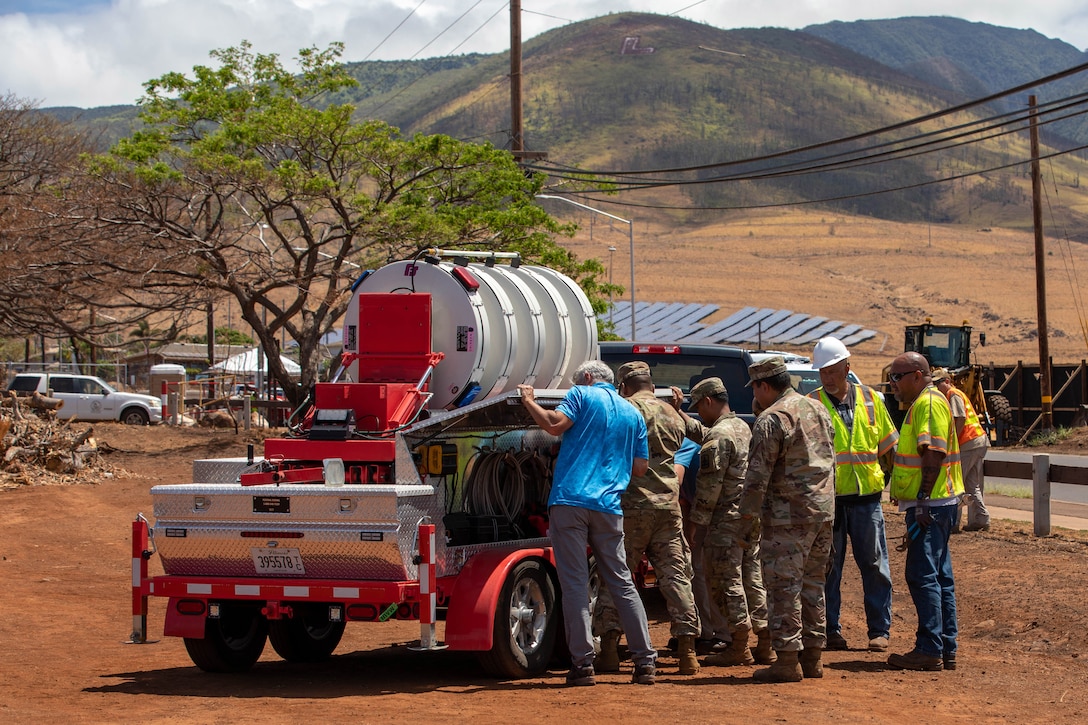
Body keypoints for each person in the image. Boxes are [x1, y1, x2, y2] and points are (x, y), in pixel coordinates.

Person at [517, 360, 657, 686]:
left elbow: (554, 425)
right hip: (609, 506)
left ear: (588, 378)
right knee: (622, 583)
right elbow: (639, 468)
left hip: (570, 500)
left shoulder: (582, 394)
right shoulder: (632, 413)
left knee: (576, 585)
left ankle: (582, 666)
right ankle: (645, 662)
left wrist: (529, 401)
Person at [593, 361, 702, 676]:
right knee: (676, 577)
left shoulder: (622, 410)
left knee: (616, 575)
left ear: (624, 385)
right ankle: (687, 654)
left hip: (630, 507)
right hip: (668, 507)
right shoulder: (672, 413)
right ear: (652, 386)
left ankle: (611, 651)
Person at [737, 356, 836, 682]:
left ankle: (787, 660)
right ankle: (813, 658)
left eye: (755, 387)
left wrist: (745, 519)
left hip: (787, 519)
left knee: (783, 588)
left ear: (764, 386)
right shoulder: (817, 408)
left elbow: (756, 477)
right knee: (813, 586)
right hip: (822, 515)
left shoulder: (772, 419)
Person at [672, 377, 773, 667]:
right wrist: (679, 413)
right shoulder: (741, 427)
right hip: (749, 518)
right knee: (753, 580)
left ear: (708, 402)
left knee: (725, 581)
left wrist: (697, 528)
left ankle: (738, 644)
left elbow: (708, 490)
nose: (697, 413)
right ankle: (766, 643)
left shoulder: (719, 437)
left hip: (724, 522)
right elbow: (703, 432)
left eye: (697, 407)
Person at [808, 336, 898, 654]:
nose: (827, 377)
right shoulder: (813, 403)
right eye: (822, 371)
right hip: (828, 502)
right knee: (827, 568)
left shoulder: (872, 399)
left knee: (874, 565)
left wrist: (893, 486)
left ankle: (879, 631)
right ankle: (829, 629)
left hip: (866, 499)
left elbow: (889, 448)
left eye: (832, 370)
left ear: (847, 366)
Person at [886, 353, 964, 672]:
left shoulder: (928, 403)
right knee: (939, 575)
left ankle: (930, 647)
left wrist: (920, 501)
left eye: (897, 378)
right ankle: (945, 647)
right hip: (939, 502)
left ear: (917, 376)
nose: (893, 386)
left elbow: (933, 452)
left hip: (930, 506)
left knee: (922, 574)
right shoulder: (929, 401)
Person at [675, 435, 731, 653]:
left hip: (718, 513)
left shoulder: (683, 445)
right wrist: (690, 528)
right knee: (697, 570)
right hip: (699, 512)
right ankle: (707, 632)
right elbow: (685, 497)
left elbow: (677, 480)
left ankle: (724, 633)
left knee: (713, 571)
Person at [933, 368, 991, 532]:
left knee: (956, 482)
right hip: (977, 441)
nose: (937, 387)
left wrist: (953, 441)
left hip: (968, 442)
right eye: (934, 384)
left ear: (947, 382)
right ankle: (982, 518)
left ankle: (953, 522)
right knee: (972, 484)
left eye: (939, 383)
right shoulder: (952, 394)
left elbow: (960, 417)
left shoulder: (953, 394)